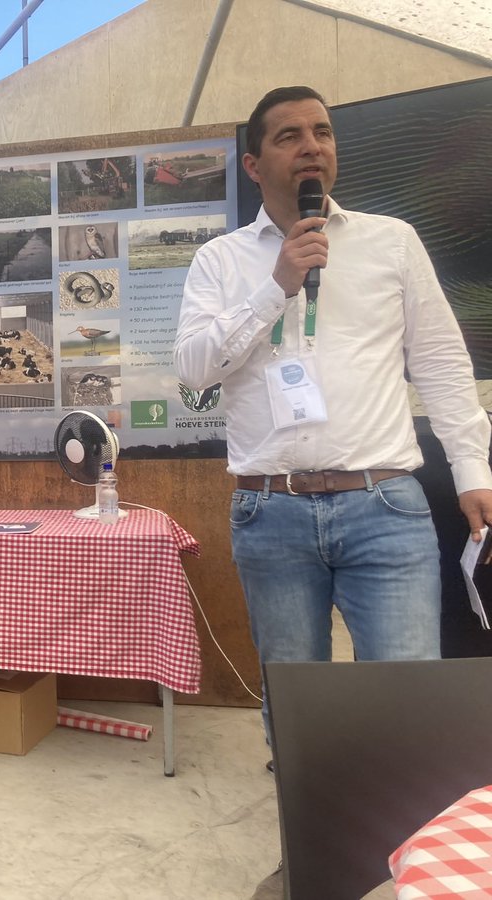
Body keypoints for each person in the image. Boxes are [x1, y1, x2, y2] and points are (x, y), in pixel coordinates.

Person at [175, 85, 492, 742]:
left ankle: (398, 848)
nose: (312, 145)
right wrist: (275, 288)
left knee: (406, 706)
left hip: (386, 509)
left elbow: (440, 360)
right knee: (300, 716)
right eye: (289, 135)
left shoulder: (392, 243)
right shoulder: (220, 261)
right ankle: (310, 846)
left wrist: (471, 470)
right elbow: (195, 369)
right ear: (254, 164)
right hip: (272, 513)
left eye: (322, 131)